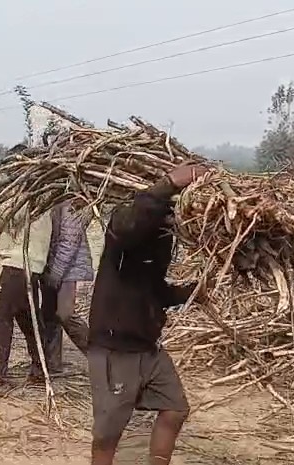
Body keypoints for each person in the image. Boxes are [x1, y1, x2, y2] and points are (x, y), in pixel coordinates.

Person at [88, 162, 208, 465]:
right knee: (109, 433)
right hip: (117, 350)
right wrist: (168, 183)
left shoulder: (161, 235)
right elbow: (130, 228)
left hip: (147, 347)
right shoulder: (123, 222)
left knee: (175, 407)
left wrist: (192, 292)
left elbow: (153, 289)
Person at [0, 203, 53, 394]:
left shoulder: (29, 199)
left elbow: (8, 213)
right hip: (31, 267)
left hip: (17, 265)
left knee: (0, 319)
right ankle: (39, 370)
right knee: (29, 321)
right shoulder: (45, 200)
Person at [39, 201, 93, 374]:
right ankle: (52, 363)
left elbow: (68, 242)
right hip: (48, 266)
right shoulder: (50, 201)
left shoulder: (70, 204)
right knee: (49, 314)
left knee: (65, 313)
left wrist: (56, 272)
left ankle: (101, 356)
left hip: (67, 269)